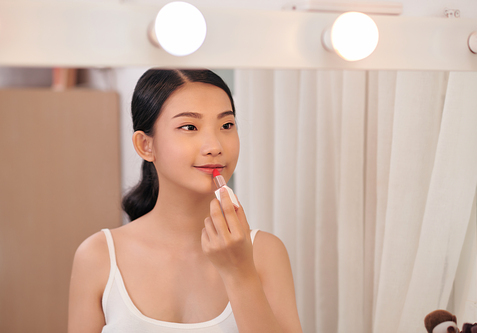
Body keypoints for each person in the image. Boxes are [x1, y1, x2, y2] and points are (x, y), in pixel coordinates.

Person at [68, 69, 303, 333]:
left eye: (227, 125)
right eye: (189, 127)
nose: (214, 145)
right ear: (146, 145)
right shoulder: (98, 256)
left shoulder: (265, 253)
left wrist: (240, 272)